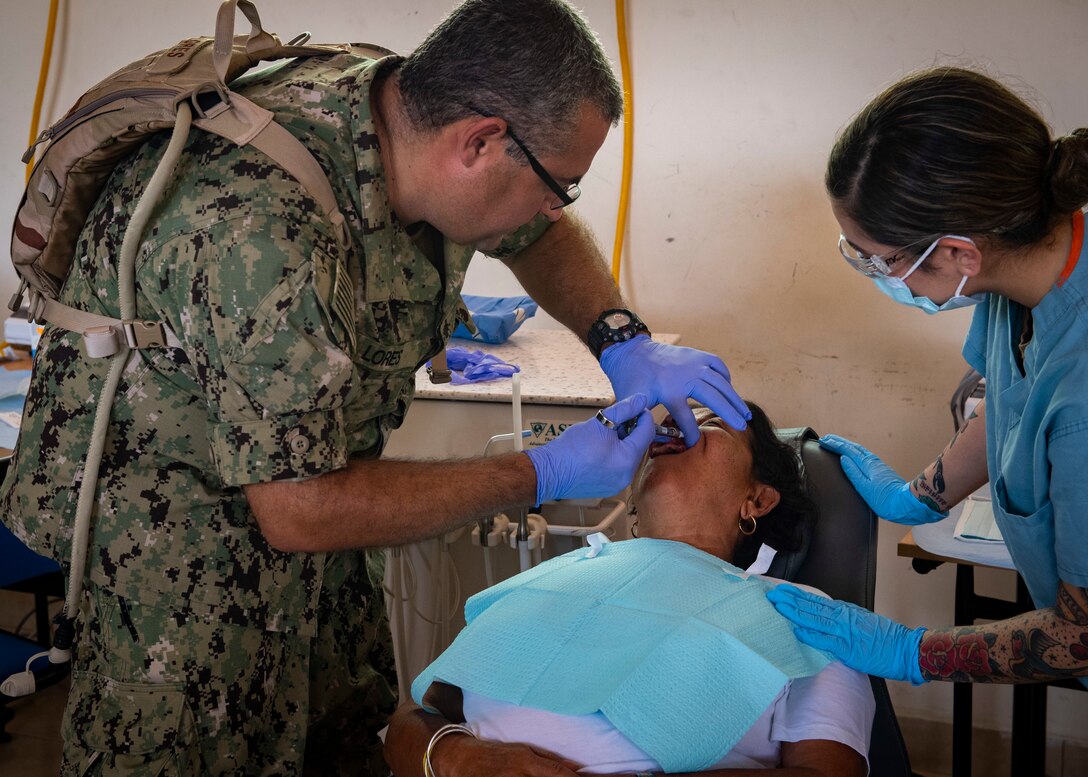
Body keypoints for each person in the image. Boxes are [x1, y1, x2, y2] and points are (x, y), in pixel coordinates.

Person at [0, 1, 750, 773]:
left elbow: (541, 232)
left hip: (312, 522)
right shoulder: (261, 229)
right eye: (561, 183)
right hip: (174, 552)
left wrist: (619, 337)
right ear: (482, 143)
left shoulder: (410, 116)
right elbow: (298, 508)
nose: (558, 207)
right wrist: (540, 472)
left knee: (347, 732)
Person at [768, 66, 1088, 689]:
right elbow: (1013, 401)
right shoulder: (1026, 270)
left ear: (959, 254)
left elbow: (1080, 636)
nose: (876, 274)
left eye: (878, 260)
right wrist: (920, 495)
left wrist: (910, 651)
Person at [384, 403, 874, 776]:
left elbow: (826, 771)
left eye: (709, 420)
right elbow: (408, 721)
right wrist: (457, 756)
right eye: (668, 419)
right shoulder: (553, 582)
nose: (677, 423)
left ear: (758, 498)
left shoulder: (804, 615)